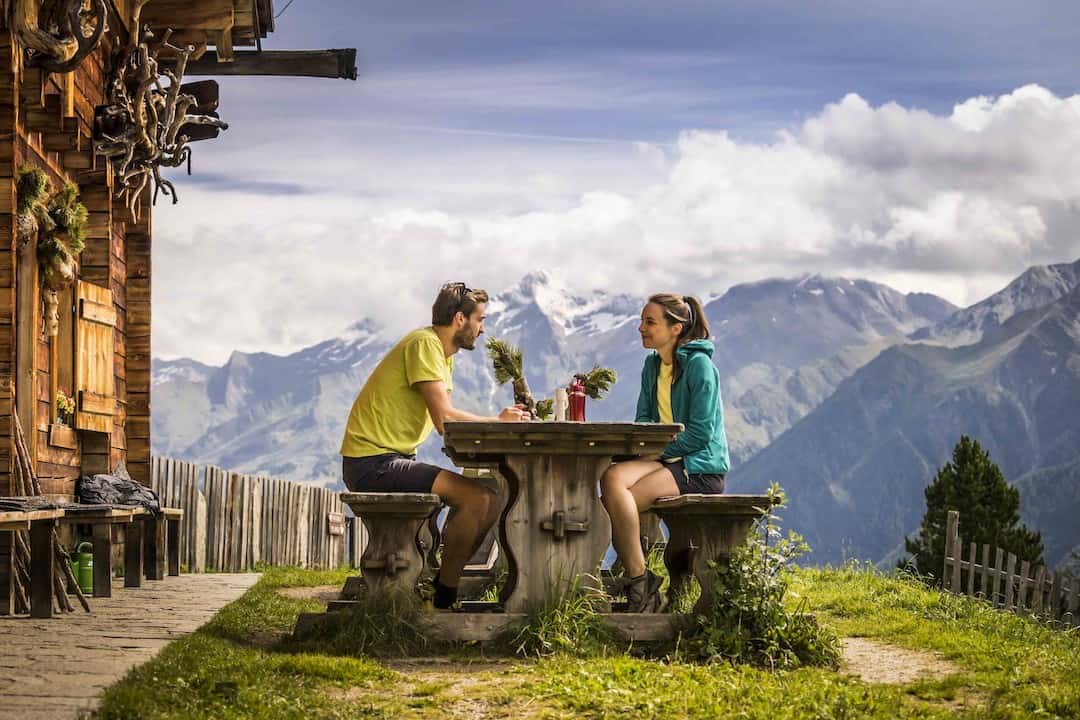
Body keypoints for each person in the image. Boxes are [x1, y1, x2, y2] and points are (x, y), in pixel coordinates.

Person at [340, 282, 529, 609]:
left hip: (387, 459)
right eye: (479, 320)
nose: (482, 329)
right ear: (460, 318)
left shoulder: (442, 354)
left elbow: (447, 418)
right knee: (478, 496)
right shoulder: (425, 345)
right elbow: (444, 419)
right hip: (373, 464)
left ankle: (441, 583)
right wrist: (499, 423)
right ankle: (443, 595)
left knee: (489, 498)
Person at [600, 293, 730, 612]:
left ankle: (639, 584)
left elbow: (701, 434)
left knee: (618, 503)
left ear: (676, 328)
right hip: (665, 459)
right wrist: (647, 449)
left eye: (650, 322)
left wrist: (657, 451)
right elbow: (644, 417)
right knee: (611, 477)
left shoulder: (700, 366)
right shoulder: (652, 365)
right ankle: (641, 579)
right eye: (642, 321)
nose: (641, 328)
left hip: (699, 467)